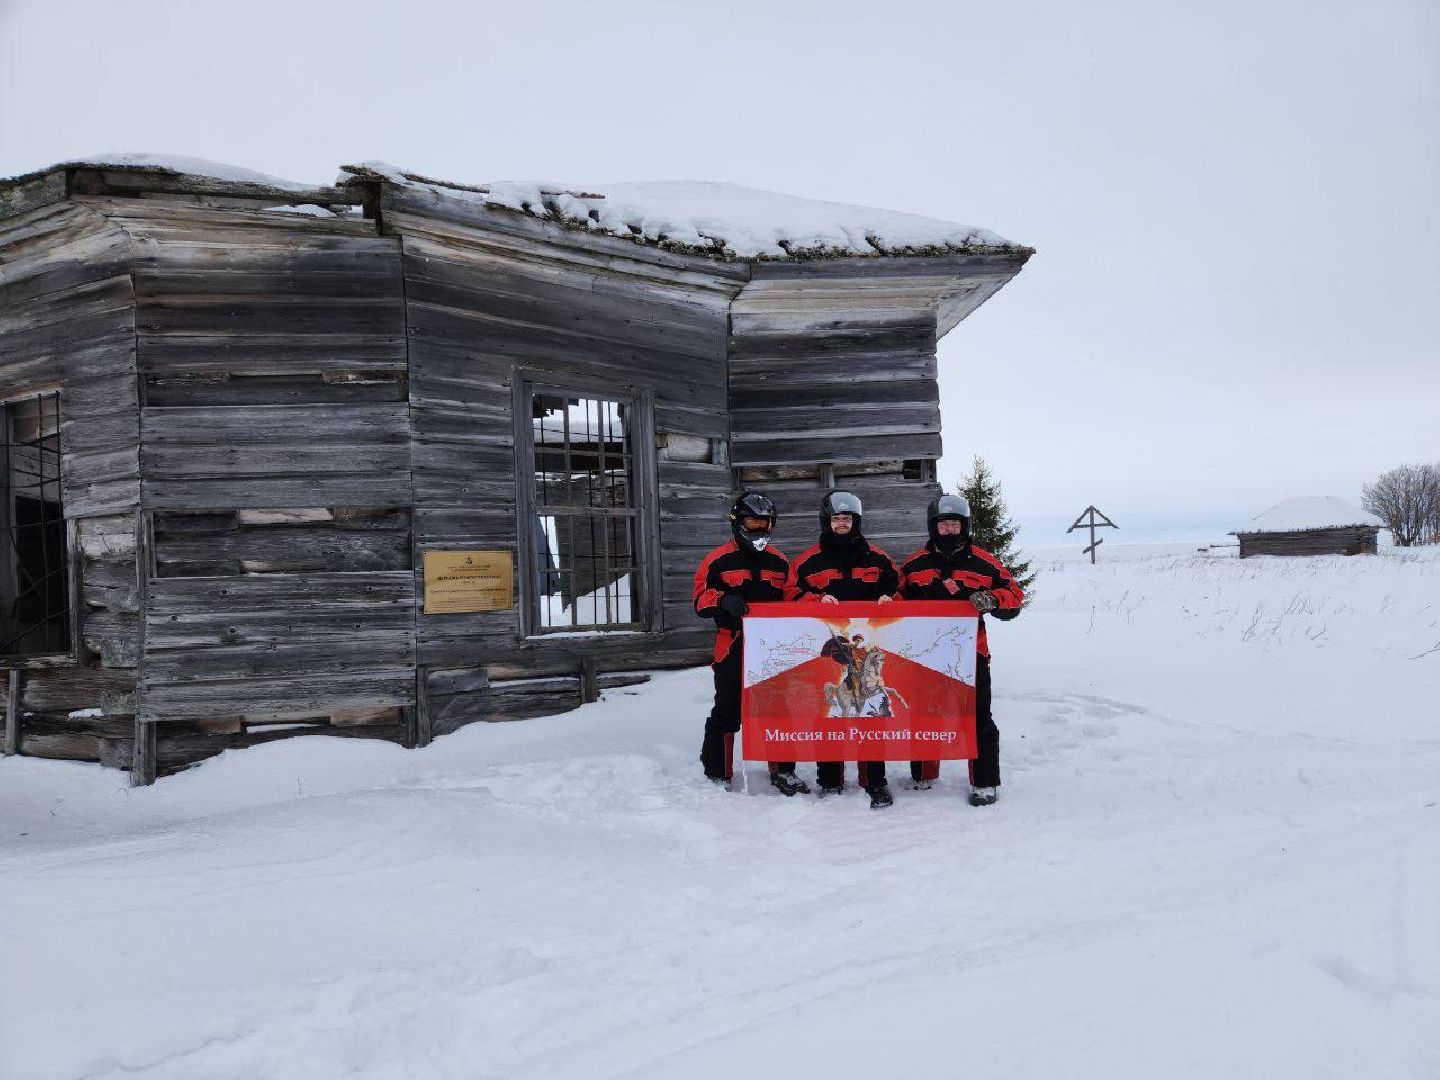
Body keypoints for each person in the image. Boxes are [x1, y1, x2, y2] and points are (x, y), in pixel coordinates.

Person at [898, 494, 1023, 806]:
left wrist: (994, 599)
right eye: (944, 523)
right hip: (924, 657)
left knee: (979, 718)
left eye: (955, 523)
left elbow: (1014, 594)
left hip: (971, 656)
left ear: (965, 526)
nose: (950, 529)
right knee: (924, 716)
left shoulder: (984, 561)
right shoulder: (913, 565)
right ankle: (924, 774)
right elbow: (896, 597)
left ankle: (984, 782)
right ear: (933, 527)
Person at [693, 491, 810, 795]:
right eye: (753, 522)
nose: (759, 529)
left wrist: (817, 602)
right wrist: (723, 600)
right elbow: (700, 600)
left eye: (765, 523)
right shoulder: (717, 560)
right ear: (738, 522)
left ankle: (784, 771)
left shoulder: (781, 562)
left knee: (778, 710)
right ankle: (717, 771)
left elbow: (794, 596)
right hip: (732, 645)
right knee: (728, 709)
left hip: (772, 651)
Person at [788, 490, 900, 808]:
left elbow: (898, 587)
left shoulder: (877, 558)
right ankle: (830, 780)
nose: (842, 523)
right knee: (830, 712)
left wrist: (890, 599)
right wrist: (814, 601)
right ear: (827, 521)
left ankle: (875, 781)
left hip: (868, 647)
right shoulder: (809, 561)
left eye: (847, 518)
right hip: (828, 649)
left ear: (856, 521)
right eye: (836, 518)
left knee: (871, 713)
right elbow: (790, 592)